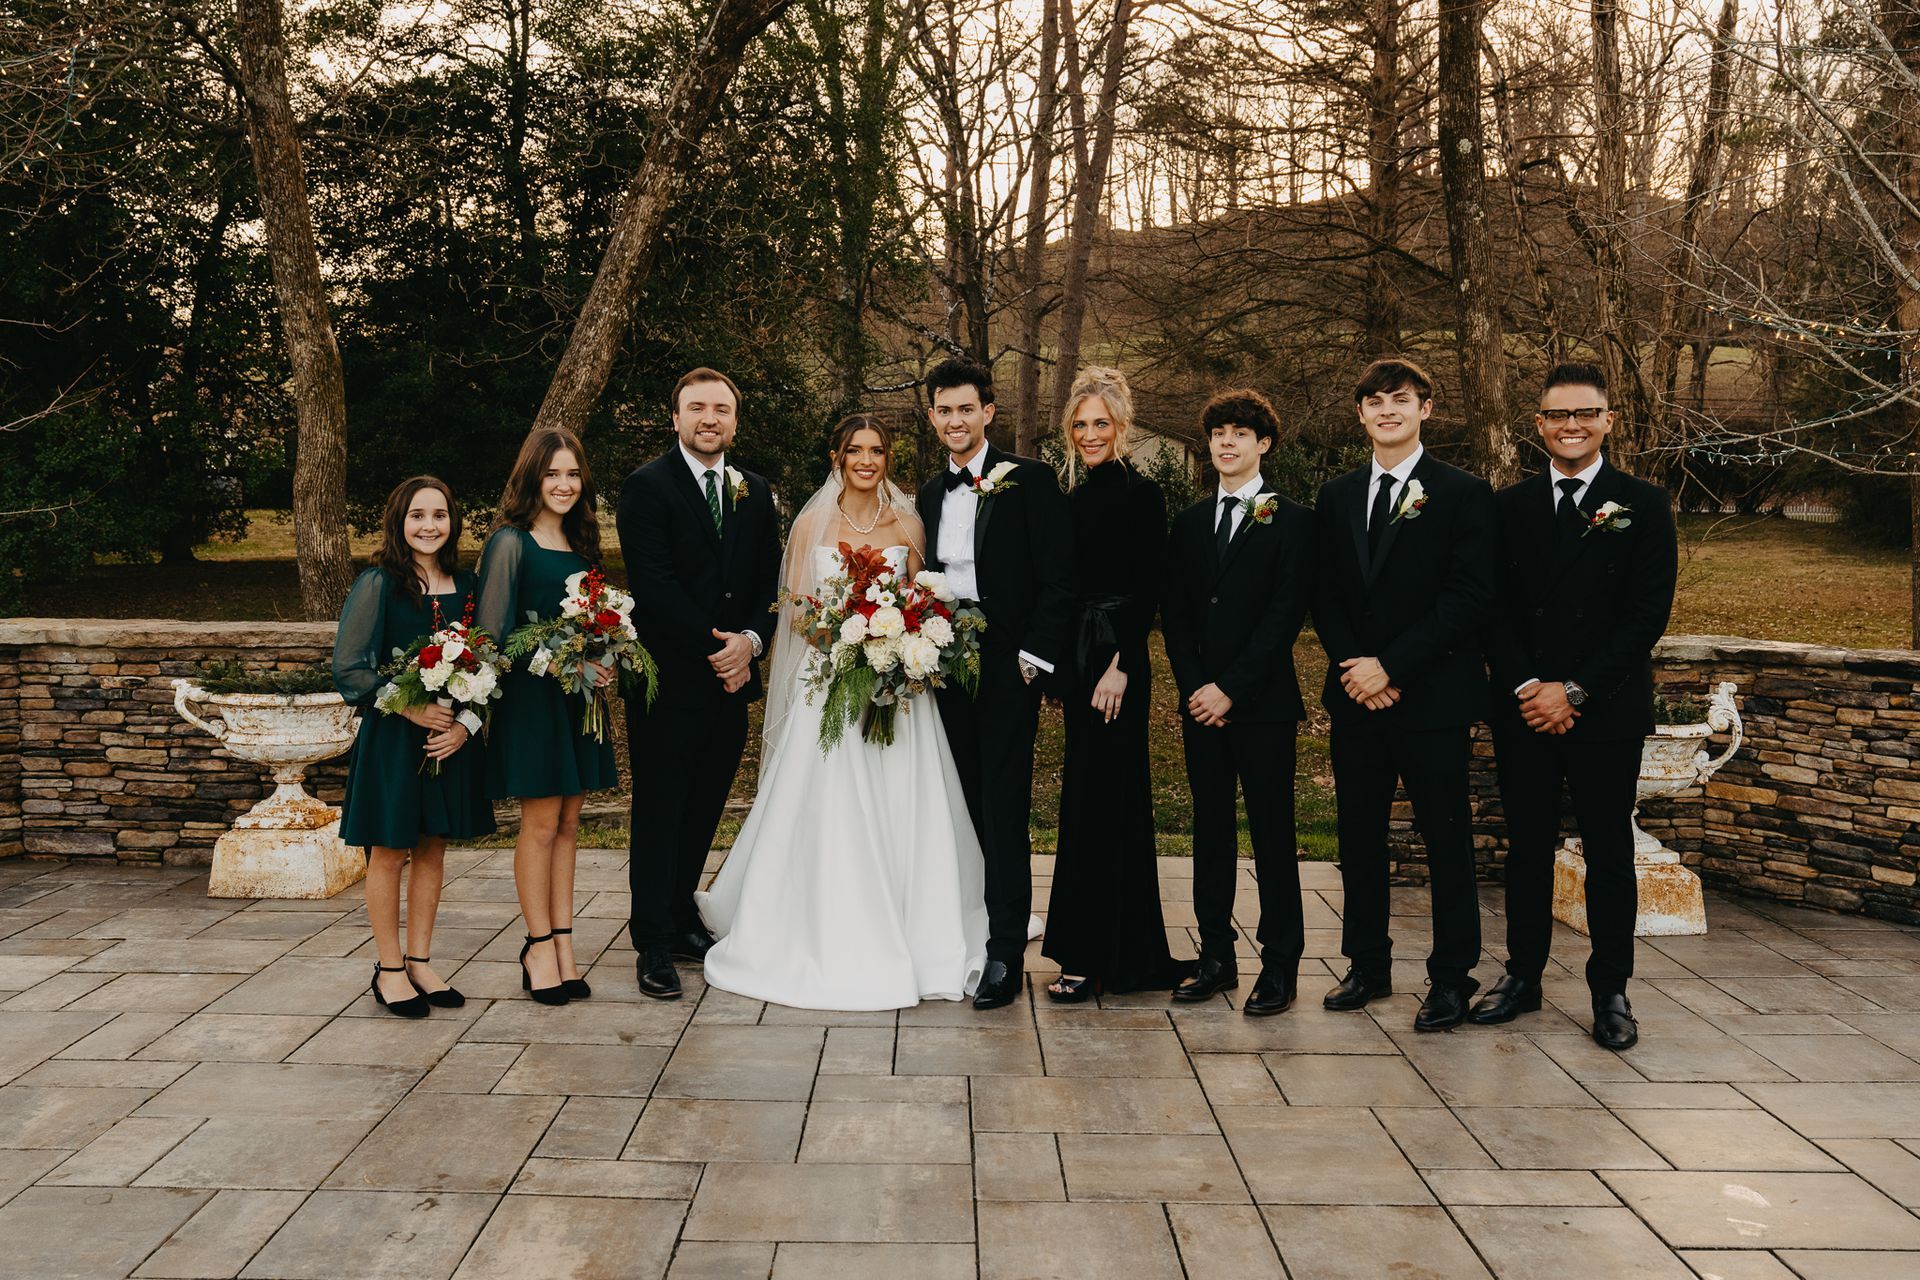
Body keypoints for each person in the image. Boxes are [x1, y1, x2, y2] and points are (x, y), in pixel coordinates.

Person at [697, 415, 989, 1009]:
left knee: (905, 800)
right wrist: (845, 638)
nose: (865, 460)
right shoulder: (811, 524)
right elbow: (796, 610)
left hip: (899, 685)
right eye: (854, 450)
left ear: (886, 457)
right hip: (830, 683)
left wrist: (903, 642)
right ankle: (820, 921)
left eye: (876, 450)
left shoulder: (907, 523)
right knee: (827, 802)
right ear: (837, 457)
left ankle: (919, 925)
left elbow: (924, 598)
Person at [1476, 361, 1678, 1051]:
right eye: (1558, 415)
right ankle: (1523, 976)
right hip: (1526, 708)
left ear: (1608, 420)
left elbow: (1645, 615)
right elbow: (1492, 611)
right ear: (1539, 424)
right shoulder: (1507, 507)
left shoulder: (1643, 504)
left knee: (1608, 851)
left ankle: (1611, 990)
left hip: (1606, 709)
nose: (1571, 426)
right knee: (1527, 847)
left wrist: (1578, 690)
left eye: (1585, 414)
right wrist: (1532, 688)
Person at [1311, 358, 1496, 1032]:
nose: (1387, 410)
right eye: (1374, 401)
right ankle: (1367, 964)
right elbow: (1324, 593)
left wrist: (1391, 666)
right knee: (1357, 836)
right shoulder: (1335, 496)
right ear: (1360, 414)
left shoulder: (1464, 492)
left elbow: (1468, 598)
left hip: (1431, 699)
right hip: (1356, 699)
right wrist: (1354, 667)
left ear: (1426, 408)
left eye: (1401, 399)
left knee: (1445, 839)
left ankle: (1452, 978)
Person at [915, 357, 1077, 1010]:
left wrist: (1034, 658)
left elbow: (1060, 575)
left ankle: (1005, 952)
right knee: (958, 801)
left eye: (965, 409)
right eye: (943, 410)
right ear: (931, 418)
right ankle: (963, 929)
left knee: (1002, 806)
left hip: (1009, 664)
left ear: (988, 412)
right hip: (939, 664)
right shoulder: (927, 495)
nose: (954, 420)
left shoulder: (1029, 481)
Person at [617, 368, 782, 1000]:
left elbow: (769, 580)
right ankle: (652, 941)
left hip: (733, 678)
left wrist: (752, 643)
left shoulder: (753, 488)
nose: (709, 419)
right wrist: (721, 647)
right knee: (662, 808)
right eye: (697, 409)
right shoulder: (646, 487)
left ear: (735, 420)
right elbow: (654, 585)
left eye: (721, 409)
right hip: (670, 681)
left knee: (707, 801)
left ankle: (683, 917)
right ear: (677, 418)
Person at [1160, 389, 1313, 1013]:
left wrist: (1232, 688)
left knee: (1274, 835)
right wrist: (1197, 687)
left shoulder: (1294, 520)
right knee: (1211, 832)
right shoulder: (1192, 522)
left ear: (1263, 444)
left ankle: (1280, 965)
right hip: (1202, 708)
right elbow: (1175, 614)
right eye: (1218, 432)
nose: (1227, 442)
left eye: (1240, 433)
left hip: (1264, 705)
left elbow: (1284, 617)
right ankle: (1216, 955)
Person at [1041, 369, 1187, 1001]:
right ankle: (1100, 949)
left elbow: (1149, 586)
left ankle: (1102, 957)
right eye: (1080, 424)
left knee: (1112, 802)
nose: (1089, 434)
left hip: (1117, 659)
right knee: (1085, 801)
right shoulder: (1070, 496)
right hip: (1080, 657)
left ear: (1122, 426)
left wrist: (1121, 664)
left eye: (1101, 423)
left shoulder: (1142, 493)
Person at [335, 476, 495, 1018]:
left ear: (453, 522)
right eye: (417, 516)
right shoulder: (378, 583)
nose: (430, 526)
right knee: (388, 851)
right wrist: (407, 707)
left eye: (440, 515)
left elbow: (492, 667)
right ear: (399, 522)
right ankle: (389, 969)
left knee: (432, 849)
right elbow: (350, 667)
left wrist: (464, 728)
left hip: (447, 742)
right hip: (393, 741)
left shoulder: (470, 585)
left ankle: (422, 960)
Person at [475, 428, 618, 1006]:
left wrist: (603, 658)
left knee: (568, 825)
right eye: (552, 474)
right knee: (538, 826)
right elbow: (492, 638)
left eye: (573, 474)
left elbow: (593, 621)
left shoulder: (582, 543)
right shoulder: (510, 542)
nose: (563, 484)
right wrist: (559, 662)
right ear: (533, 477)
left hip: (579, 702)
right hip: (534, 703)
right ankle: (536, 945)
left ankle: (563, 943)